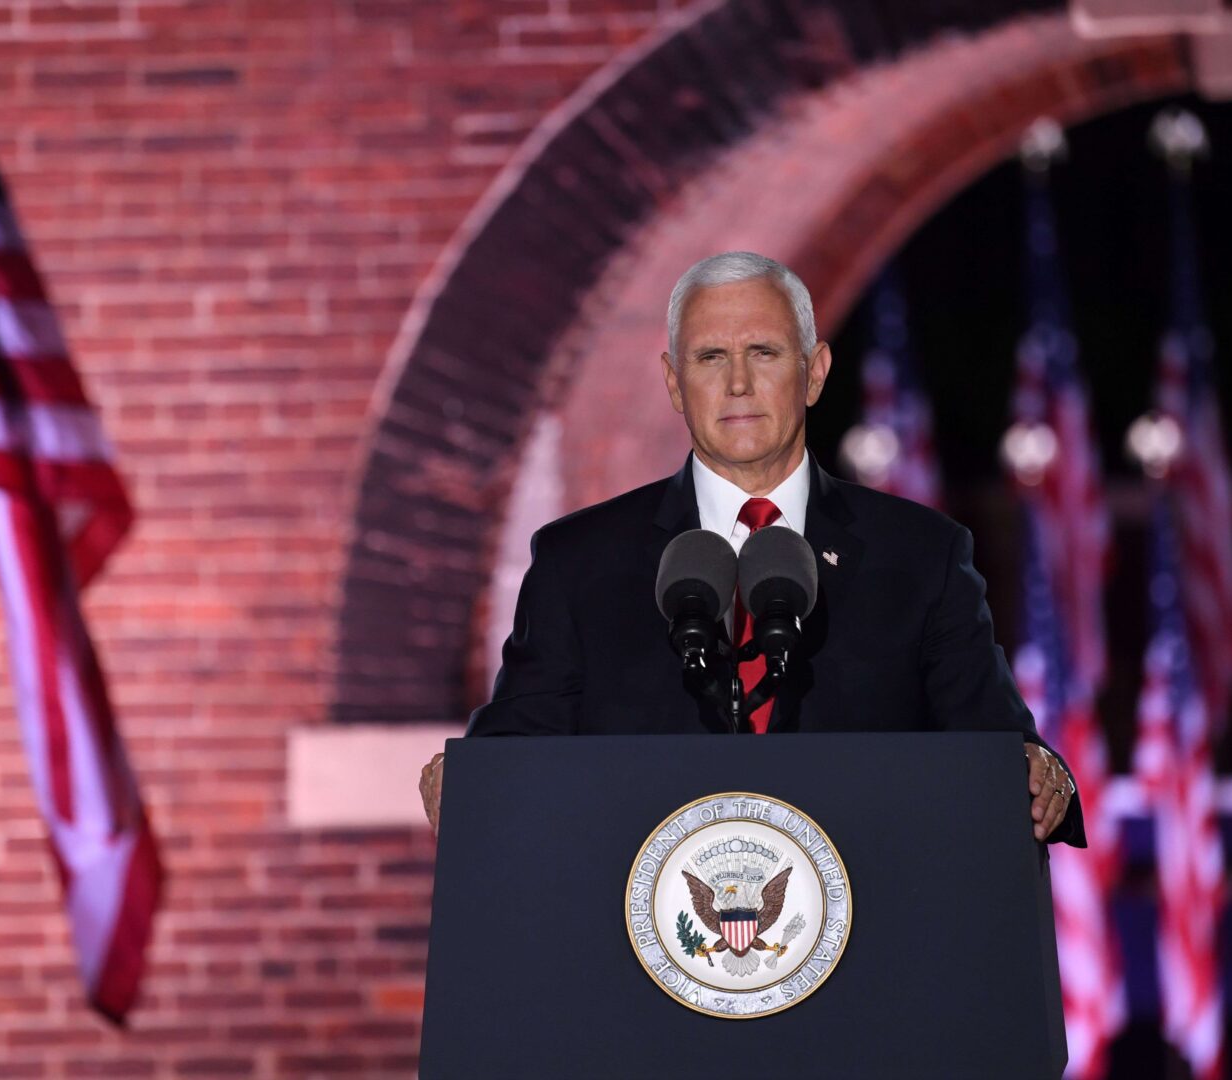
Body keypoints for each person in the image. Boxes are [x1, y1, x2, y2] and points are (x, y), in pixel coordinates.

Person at [419, 251, 1082, 847]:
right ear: (675, 383)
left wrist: (1037, 771)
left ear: (815, 373)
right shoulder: (580, 561)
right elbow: (519, 743)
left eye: (763, 352)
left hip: (866, 937)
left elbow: (994, 744)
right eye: (710, 358)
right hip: (639, 951)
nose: (737, 383)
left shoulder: (920, 555)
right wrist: (472, 777)